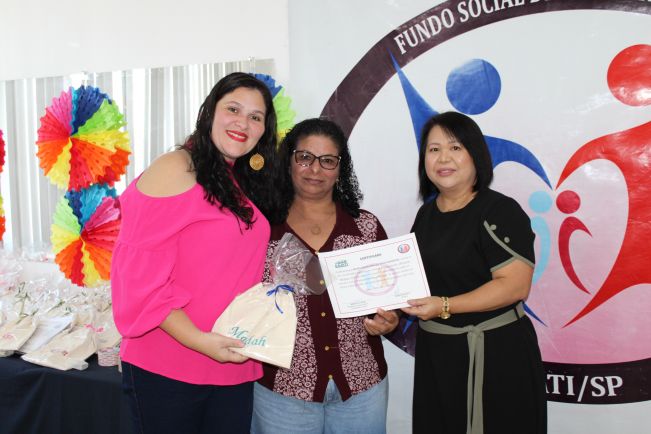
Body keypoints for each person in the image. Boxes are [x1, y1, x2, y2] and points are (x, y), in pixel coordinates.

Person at [111, 72, 278, 434]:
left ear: (264, 130)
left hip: (231, 361)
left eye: (255, 116)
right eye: (233, 109)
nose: (243, 123)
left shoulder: (239, 180)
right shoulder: (178, 166)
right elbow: (138, 276)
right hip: (170, 363)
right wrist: (199, 340)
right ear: (209, 112)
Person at [251, 118, 399, 434]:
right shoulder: (261, 228)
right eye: (305, 157)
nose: (315, 169)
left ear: (340, 168)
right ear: (288, 160)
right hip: (284, 391)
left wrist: (389, 320)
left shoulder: (365, 228)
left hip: (361, 388)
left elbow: (389, 300)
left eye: (328, 160)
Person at [402, 111, 546, 434]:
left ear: (475, 155)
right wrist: (388, 313)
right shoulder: (426, 215)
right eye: (434, 149)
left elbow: (515, 286)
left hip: (496, 356)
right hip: (438, 356)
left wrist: (444, 305)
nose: (443, 158)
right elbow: (416, 283)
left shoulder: (499, 211)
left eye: (455, 147)